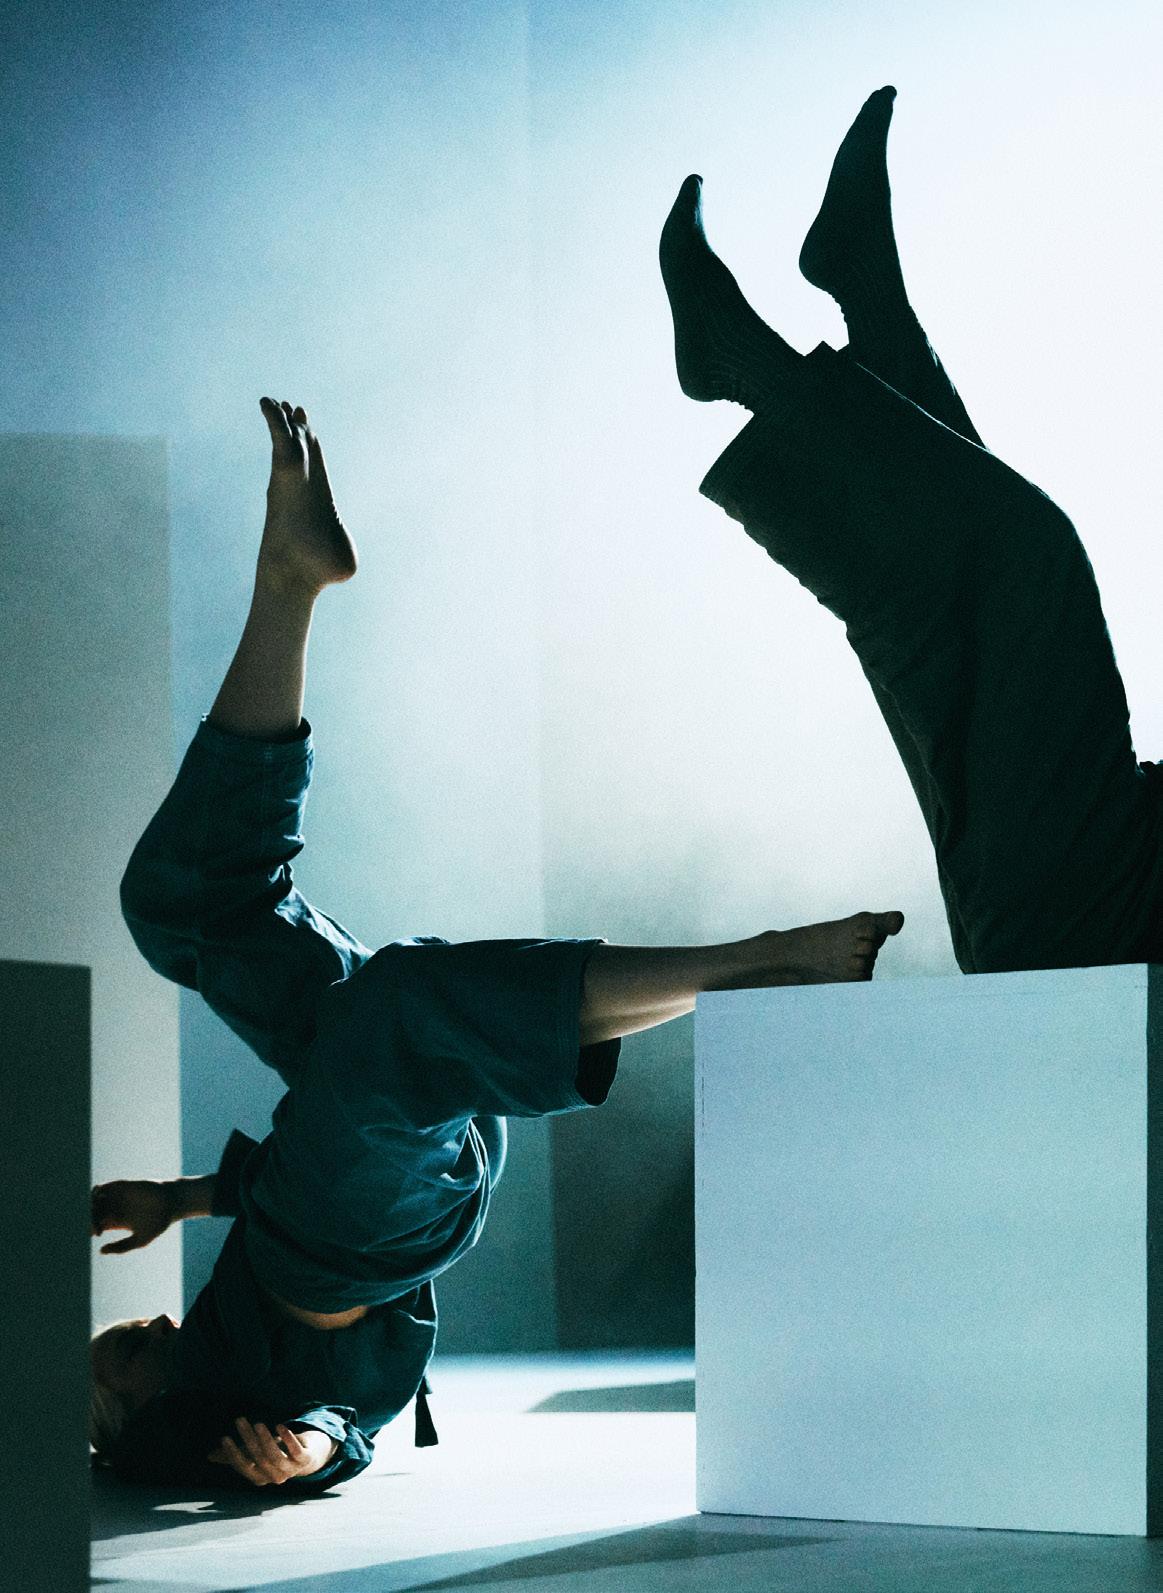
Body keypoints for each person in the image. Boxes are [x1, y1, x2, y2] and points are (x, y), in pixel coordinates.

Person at [91, 395, 903, 1490]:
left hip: (350, 1176)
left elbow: (266, 1192)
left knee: (188, 907)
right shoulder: (194, 1417)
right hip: (350, 1235)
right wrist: (306, 1453)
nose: (147, 1323)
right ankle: (746, 962)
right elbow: (347, 1418)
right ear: (125, 1417)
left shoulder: (206, 1343)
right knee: (395, 1010)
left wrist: (176, 1197)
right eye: (124, 1355)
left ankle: (287, 584)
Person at [660, 86, 1163, 976]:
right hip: (1127, 886)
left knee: (1023, 566)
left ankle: (754, 361)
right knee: (965, 621)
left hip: (1099, 949)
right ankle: (865, 308)